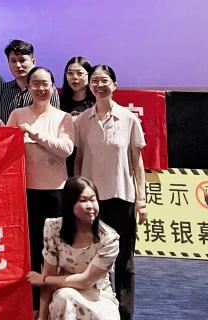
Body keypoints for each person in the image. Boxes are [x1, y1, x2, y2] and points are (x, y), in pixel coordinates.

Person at [74, 65, 147, 320]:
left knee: (124, 261)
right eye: (95, 80)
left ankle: (125, 313)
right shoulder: (82, 121)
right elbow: (78, 159)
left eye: (104, 80)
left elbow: (137, 162)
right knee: (91, 257)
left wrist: (141, 200)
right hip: (91, 203)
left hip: (121, 197)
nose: (99, 85)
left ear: (114, 85)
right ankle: (95, 310)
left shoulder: (128, 119)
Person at [8, 66, 75, 314]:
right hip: (25, 192)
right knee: (31, 250)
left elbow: (65, 149)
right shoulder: (17, 114)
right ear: (28, 87)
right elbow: (6, 147)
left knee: (55, 250)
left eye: (45, 83)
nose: (40, 88)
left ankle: (57, 304)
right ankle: (35, 306)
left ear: (53, 86)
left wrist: (33, 133)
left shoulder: (63, 118)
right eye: (35, 83)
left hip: (55, 193)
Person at [27, 176, 120, 320]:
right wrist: (42, 317)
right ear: (69, 204)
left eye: (93, 199)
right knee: (65, 297)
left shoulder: (109, 238)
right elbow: (48, 278)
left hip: (98, 296)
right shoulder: (53, 228)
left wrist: (44, 279)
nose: (90, 206)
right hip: (63, 294)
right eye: (83, 201)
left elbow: (86, 281)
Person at [0, 39, 58, 123]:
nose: (18, 65)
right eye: (13, 61)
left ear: (33, 62)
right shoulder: (2, 90)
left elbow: (54, 119)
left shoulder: (47, 89)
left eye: (22, 60)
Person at [59, 57, 95, 177]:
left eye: (79, 73)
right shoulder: (58, 101)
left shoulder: (96, 103)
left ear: (89, 75)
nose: (74, 77)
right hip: (64, 158)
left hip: (90, 156)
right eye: (70, 73)